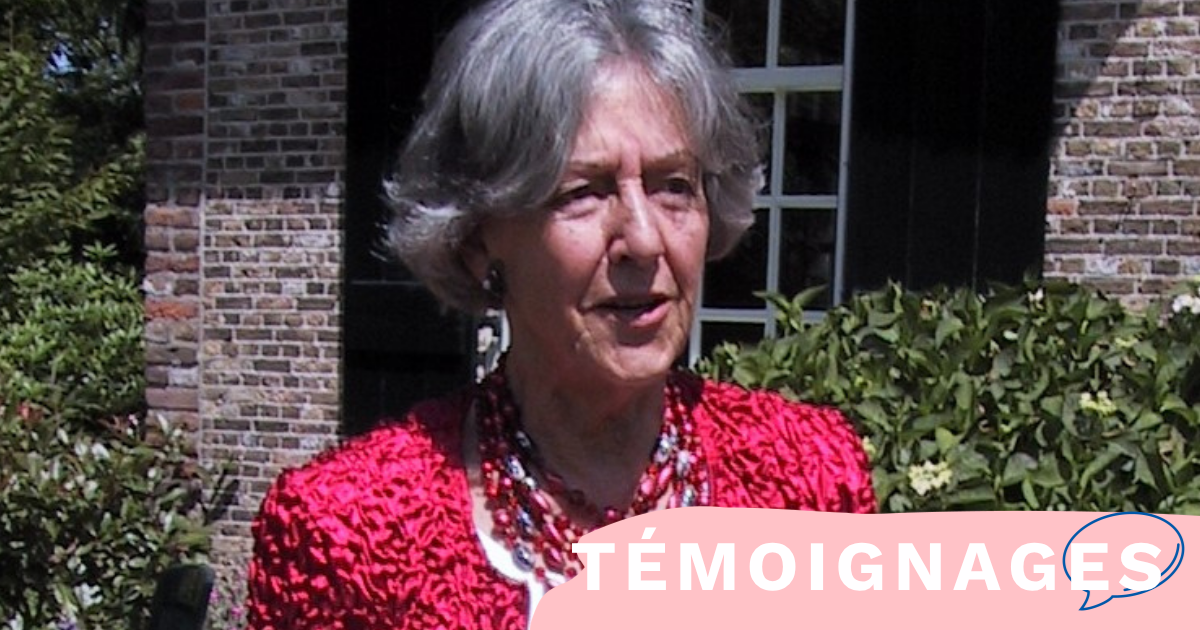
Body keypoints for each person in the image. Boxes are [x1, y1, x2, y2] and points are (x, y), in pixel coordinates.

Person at [245, 0, 875, 627]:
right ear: (477, 238)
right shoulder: (347, 532)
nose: (644, 240)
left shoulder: (808, 483)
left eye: (673, 186)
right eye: (584, 193)